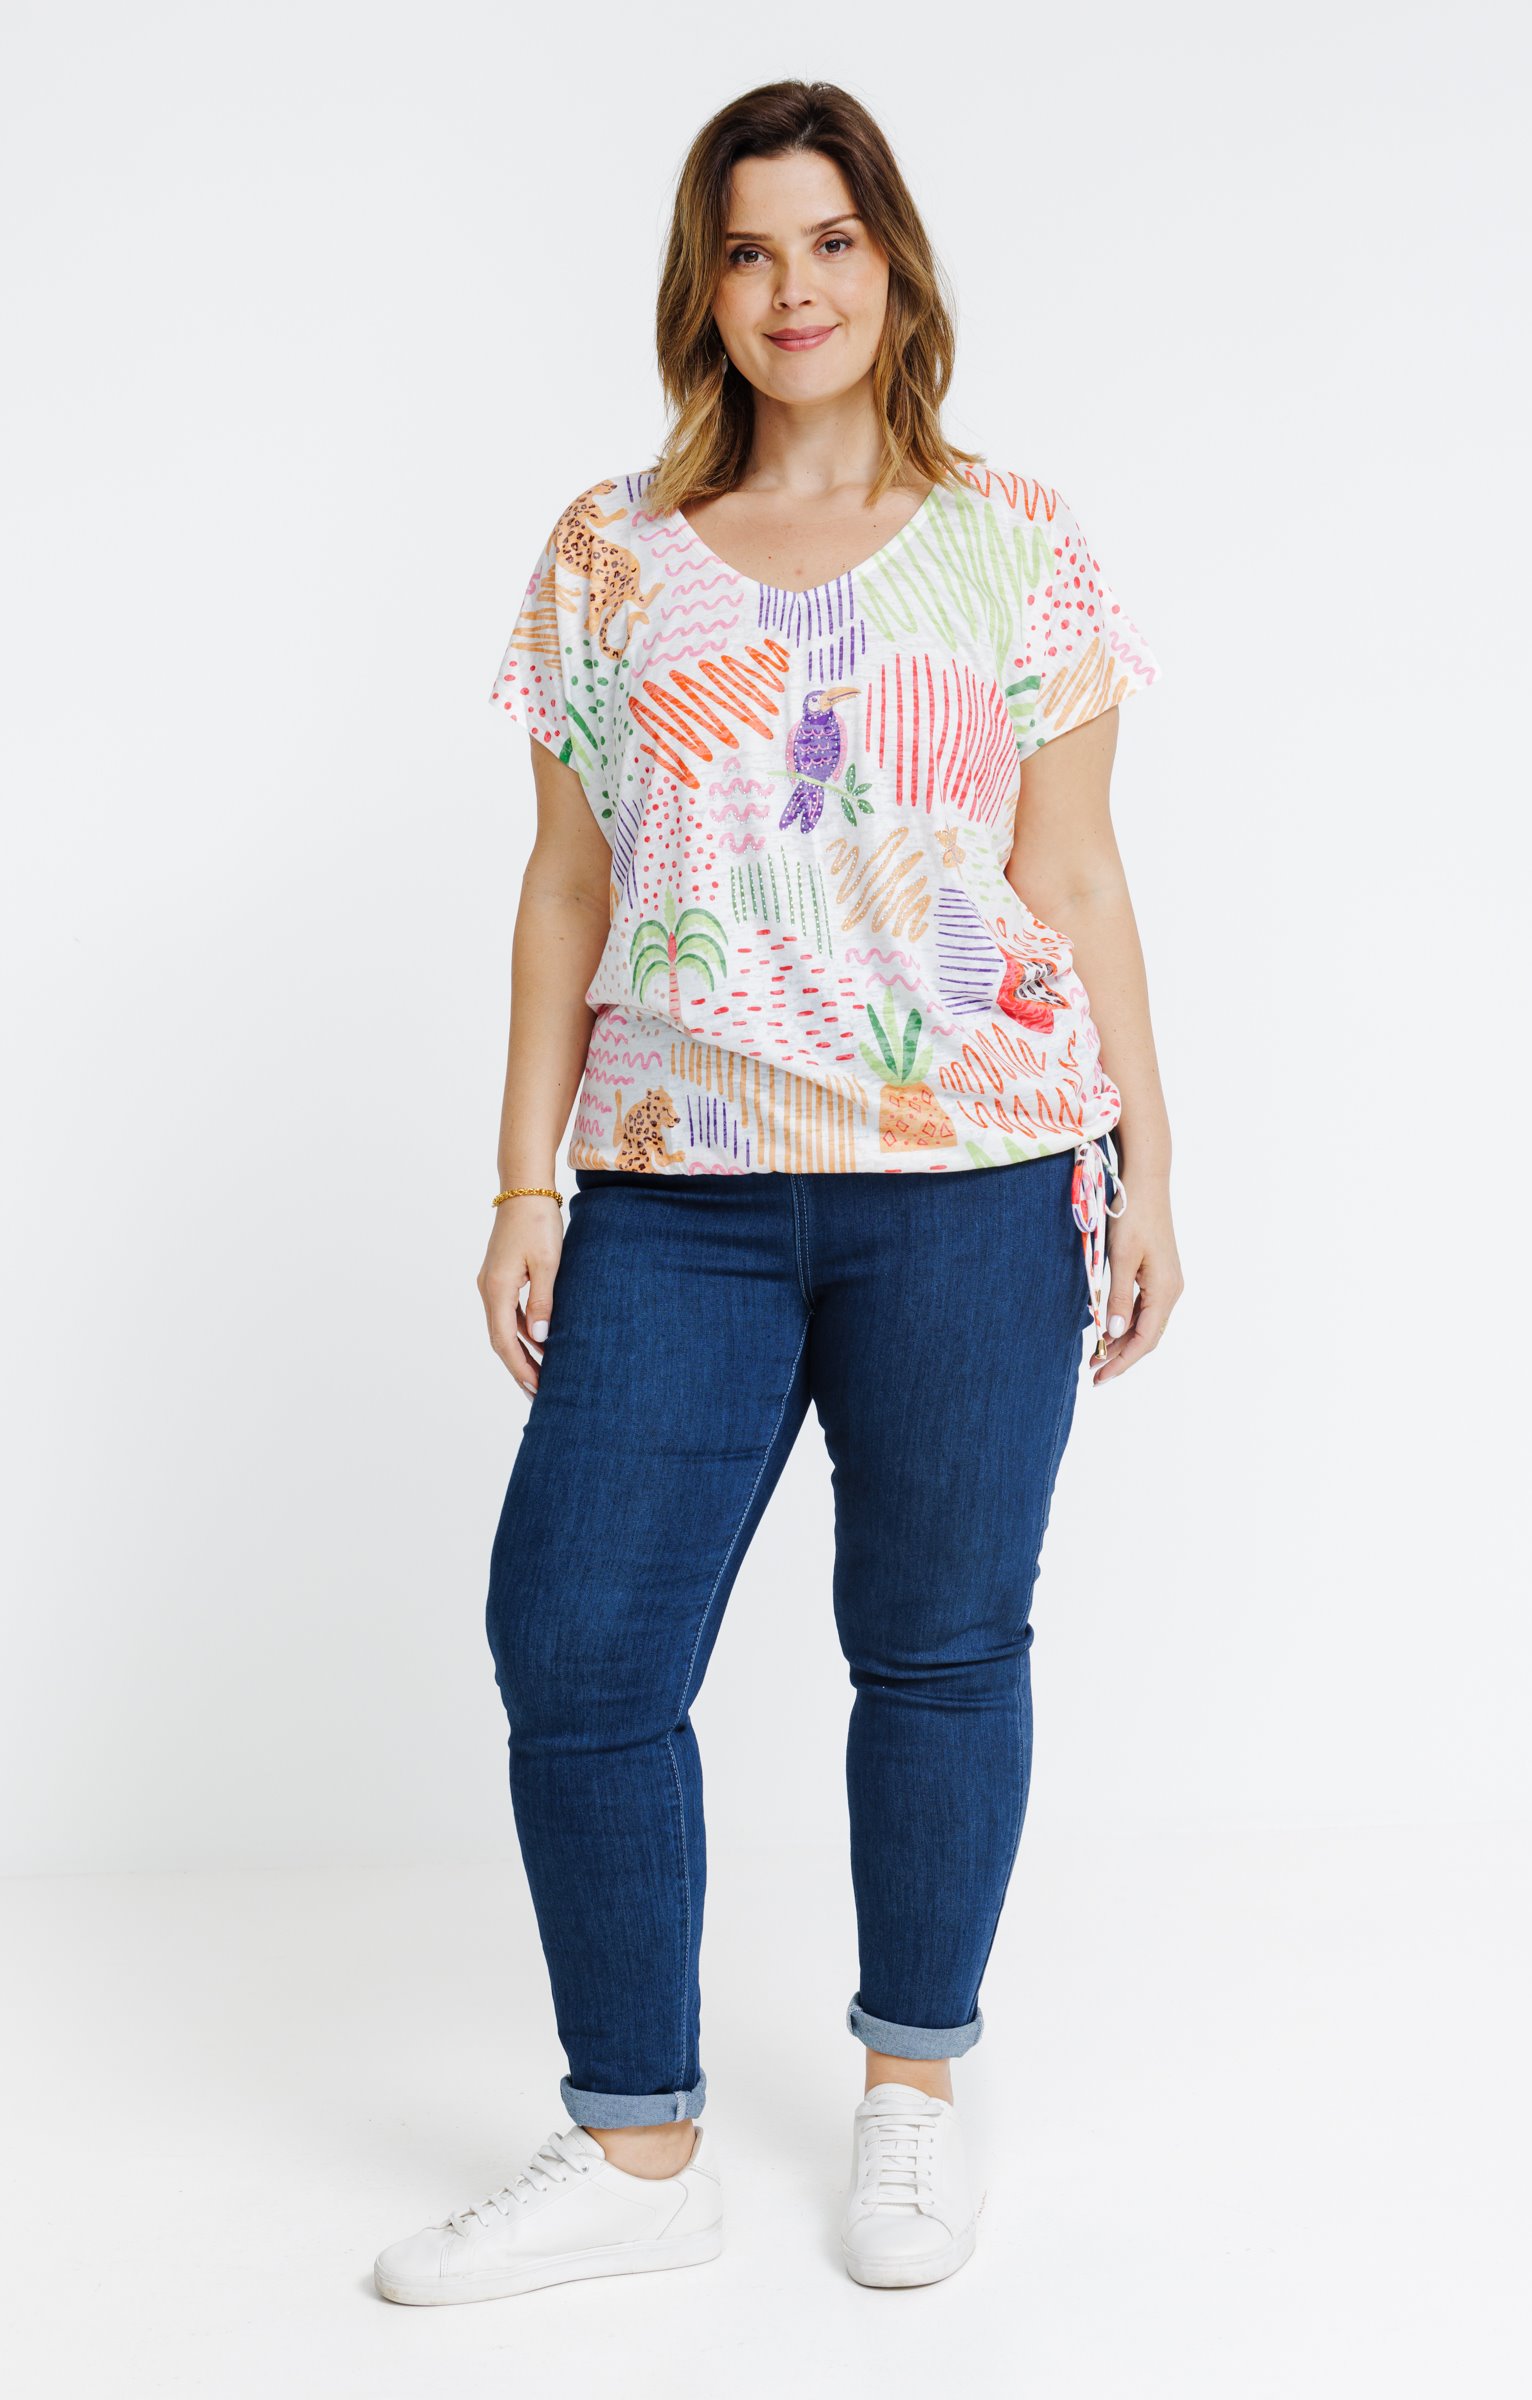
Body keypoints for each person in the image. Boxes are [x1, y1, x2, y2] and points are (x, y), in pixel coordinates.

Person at [374, 76, 1182, 2308]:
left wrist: (1152, 1160)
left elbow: (1076, 874)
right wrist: (521, 1180)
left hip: (974, 1174)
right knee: (576, 1639)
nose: (792, 287)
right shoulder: (608, 551)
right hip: (679, 1184)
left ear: (892, 264)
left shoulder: (1017, 540)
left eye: (830, 240)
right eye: (748, 249)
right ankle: (638, 2149)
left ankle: (915, 2085)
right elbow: (564, 889)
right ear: (701, 286)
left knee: (939, 1642)